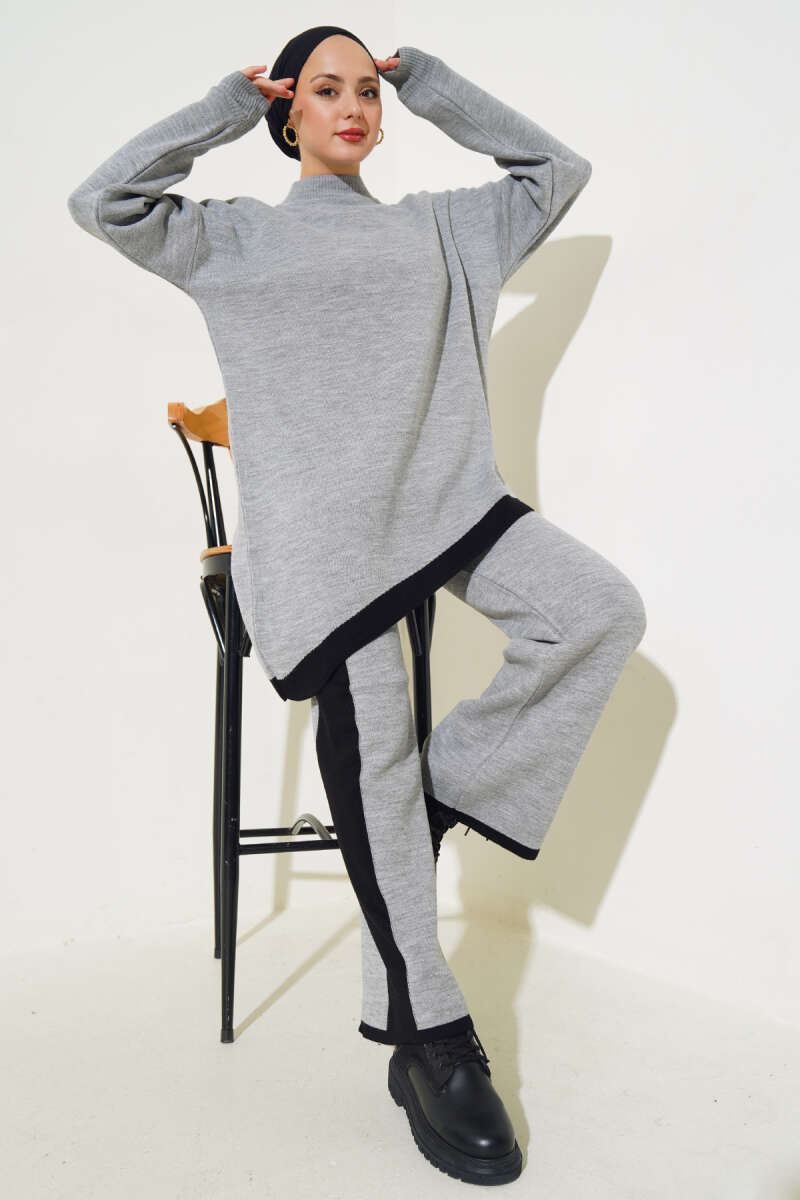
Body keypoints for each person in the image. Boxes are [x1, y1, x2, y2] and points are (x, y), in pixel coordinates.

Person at [67, 25, 646, 1187]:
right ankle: (428, 1035)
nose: (352, 106)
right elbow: (103, 201)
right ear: (287, 112)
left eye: (367, 92)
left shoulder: (443, 227)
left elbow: (556, 173)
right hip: (322, 555)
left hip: (441, 508)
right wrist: (224, 106)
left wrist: (429, 83)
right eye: (324, 90)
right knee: (371, 738)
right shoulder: (233, 237)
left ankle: (433, 795)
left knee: (596, 611)